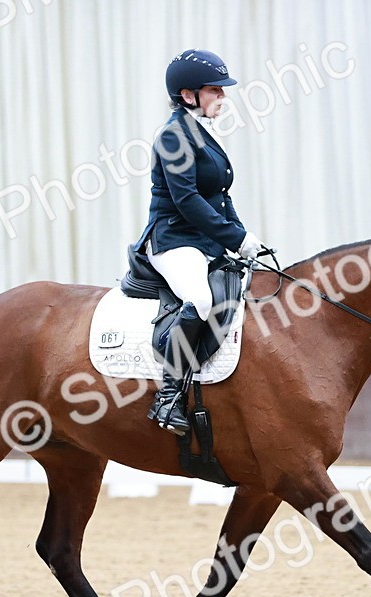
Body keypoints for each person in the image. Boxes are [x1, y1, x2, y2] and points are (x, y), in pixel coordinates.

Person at [134, 48, 269, 435]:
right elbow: (188, 202)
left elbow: (220, 197)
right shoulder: (173, 137)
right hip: (173, 239)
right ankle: (168, 397)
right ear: (188, 94)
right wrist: (236, 238)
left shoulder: (202, 131)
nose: (222, 97)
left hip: (202, 240)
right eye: (215, 90)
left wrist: (246, 238)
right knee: (201, 300)